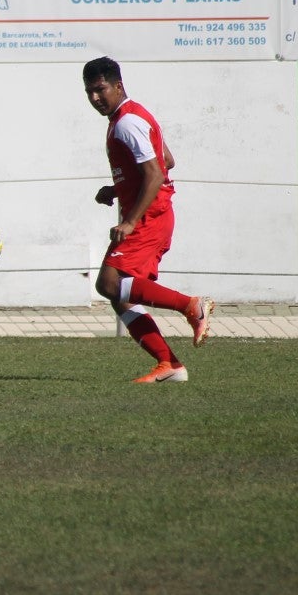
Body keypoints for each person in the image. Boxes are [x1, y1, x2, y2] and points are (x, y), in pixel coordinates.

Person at [83, 57, 211, 383]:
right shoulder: (133, 115)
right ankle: (170, 366)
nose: (96, 98)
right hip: (155, 214)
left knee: (109, 284)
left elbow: (156, 172)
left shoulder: (126, 122)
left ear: (118, 86)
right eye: (89, 92)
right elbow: (167, 159)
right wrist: (117, 187)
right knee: (121, 296)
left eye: (100, 89)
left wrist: (129, 221)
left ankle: (191, 306)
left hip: (149, 217)